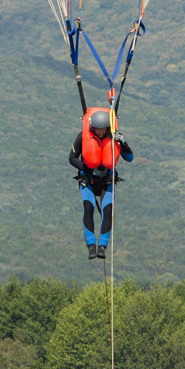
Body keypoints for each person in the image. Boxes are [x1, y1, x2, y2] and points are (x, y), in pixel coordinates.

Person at [68, 106, 133, 260]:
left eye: (104, 130)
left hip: (107, 180)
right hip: (88, 178)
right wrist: (88, 170)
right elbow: (72, 158)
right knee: (88, 207)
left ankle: (102, 246)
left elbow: (129, 158)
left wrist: (123, 142)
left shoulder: (115, 138)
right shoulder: (82, 137)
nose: (101, 132)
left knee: (108, 211)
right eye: (98, 130)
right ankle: (91, 246)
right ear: (92, 127)